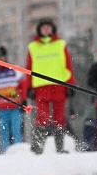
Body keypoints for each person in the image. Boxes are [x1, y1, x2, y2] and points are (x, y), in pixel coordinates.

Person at [26, 18, 75, 154]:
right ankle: (37, 147)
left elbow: (68, 66)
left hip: (59, 85)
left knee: (60, 118)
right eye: (44, 27)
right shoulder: (33, 47)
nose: (46, 30)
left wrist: (71, 85)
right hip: (41, 87)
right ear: (39, 30)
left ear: (53, 29)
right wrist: (28, 88)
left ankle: (60, 148)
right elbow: (28, 69)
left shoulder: (60, 44)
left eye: (49, 27)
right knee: (42, 117)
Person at [0, 46, 27, 152]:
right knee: (4, 133)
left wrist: (24, 100)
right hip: (1, 109)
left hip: (14, 107)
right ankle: (6, 152)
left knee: (16, 131)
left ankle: (19, 152)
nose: (1, 59)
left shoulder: (14, 70)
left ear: (6, 57)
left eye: (2, 57)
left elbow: (23, 86)